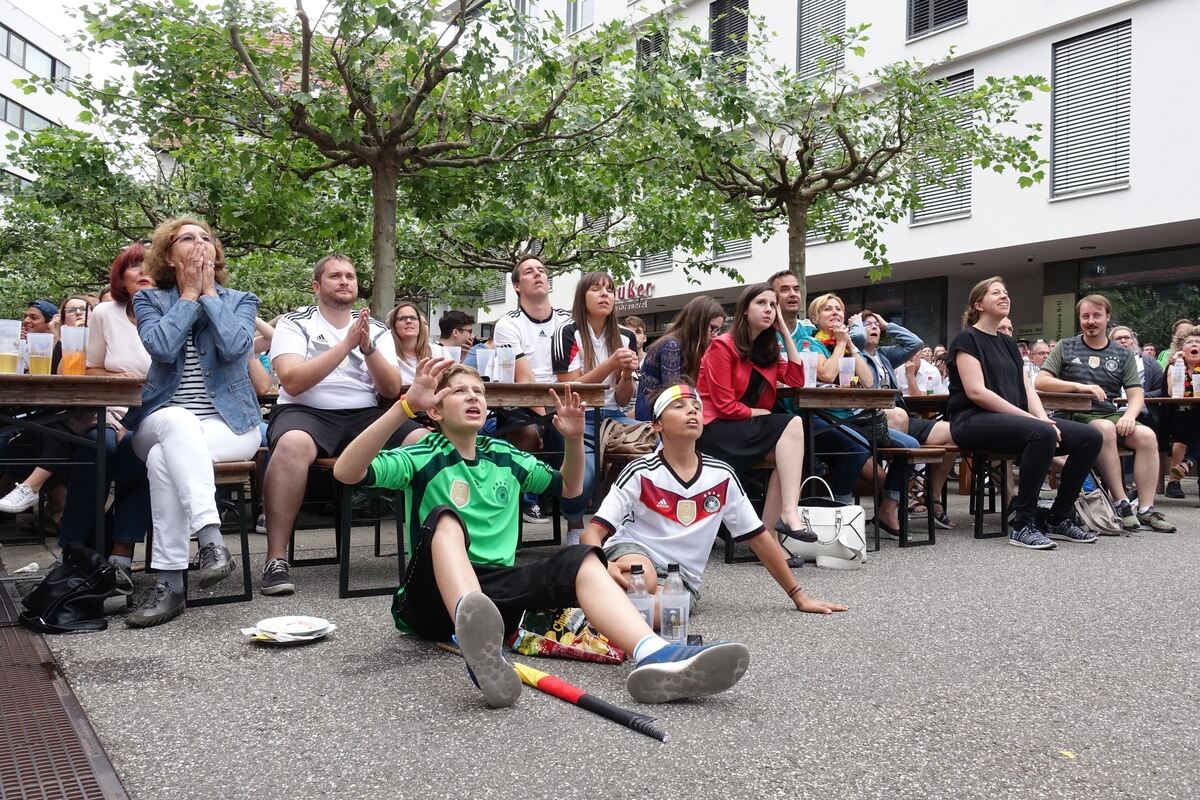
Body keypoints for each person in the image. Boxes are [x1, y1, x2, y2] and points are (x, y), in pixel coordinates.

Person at [332, 361, 751, 707]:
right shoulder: (420, 455)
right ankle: (474, 633)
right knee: (444, 517)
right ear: (436, 411)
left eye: (480, 392)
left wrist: (572, 442)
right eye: (460, 392)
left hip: (498, 598)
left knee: (583, 557)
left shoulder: (505, 456)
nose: (474, 397)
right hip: (431, 599)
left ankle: (653, 654)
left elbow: (569, 489)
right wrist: (403, 407)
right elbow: (346, 471)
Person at [582, 381, 847, 616]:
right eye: (678, 406)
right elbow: (592, 533)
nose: (691, 411)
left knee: (663, 615)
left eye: (696, 406)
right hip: (633, 553)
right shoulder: (640, 471)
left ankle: (597, 613)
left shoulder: (721, 475)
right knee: (643, 578)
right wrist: (603, 565)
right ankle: (597, 599)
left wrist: (799, 596)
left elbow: (759, 538)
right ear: (657, 424)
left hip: (682, 578)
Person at [120, 218, 264, 627]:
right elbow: (162, 348)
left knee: (166, 460)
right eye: (187, 238)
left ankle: (170, 585)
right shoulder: (150, 301)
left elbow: (237, 347)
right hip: (160, 419)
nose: (199, 244)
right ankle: (211, 539)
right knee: (177, 424)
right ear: (168, 254)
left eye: (206, 238)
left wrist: (209, 295)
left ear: (216, 255)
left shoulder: (241, 299)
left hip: (231, 425)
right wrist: (186, 295)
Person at [261, 254, 419, 595]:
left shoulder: (376, 329)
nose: (345, 281)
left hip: (364, 413)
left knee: (423, 439)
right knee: (292, 445)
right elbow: (291, 381)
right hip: (306, 412)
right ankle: (276, 559)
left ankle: (432, 550)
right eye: (335, 276)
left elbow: (391, 390)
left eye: (350, 275)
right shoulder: (294, 323)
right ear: (317, 286)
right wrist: (347, 344)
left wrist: (368, 349)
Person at [947, 277, 1101, 550]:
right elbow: (976, 393)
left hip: (1010, 421)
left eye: (1006, 292)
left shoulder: (1008, 343)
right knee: (1039, 432)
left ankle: (1059, 517)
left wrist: (1042, 417)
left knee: (1090, 436)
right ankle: (1023, 524)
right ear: (979, 304)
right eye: (996, 293)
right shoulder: (966, 338)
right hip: (970, 419)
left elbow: (1027, 389)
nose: (1005, 296)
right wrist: (1032, 421)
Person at [54, 243, 155, 598]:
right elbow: (89, 368)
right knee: (100, 448)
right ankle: (73, 552)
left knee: (139, 450)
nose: (144, 272)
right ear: (121, 277)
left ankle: (121, 558)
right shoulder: (105, 314)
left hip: (156, 413)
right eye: (134, 266)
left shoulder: (175, 312)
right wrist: (118, 379)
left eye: (151, 265)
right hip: (109, 410)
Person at [1036, 295, 1175, 533]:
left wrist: (1130, 415)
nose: (1091, 321)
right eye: (1085, 316)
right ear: (1079, 319)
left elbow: (1136, 394)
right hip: (1075, 416)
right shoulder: (1065, 346)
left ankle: (1146, 510)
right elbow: (1041, 380)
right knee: (1105, 429)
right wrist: (1079, 387)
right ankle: (1121, 503)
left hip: (1110, 414)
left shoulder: (1122, 354)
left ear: (1107, 318)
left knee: (1147, 437)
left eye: (1096, 315)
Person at [696, 283, 812, 542]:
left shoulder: (767, 350)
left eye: (773, 305)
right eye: (761, 303)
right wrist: (762, 412)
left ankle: (768, 537)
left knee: (789, 456)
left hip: (745, 429)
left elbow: (796, 379)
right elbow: (724, 406)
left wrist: (784, 331)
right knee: (792, 425)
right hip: (715, 431)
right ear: (745, 311)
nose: (769, 309)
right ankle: (788, 515)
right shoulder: (722, 346)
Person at [552, 271, 639, 543]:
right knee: (584, 474)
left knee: (647, 454)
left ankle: (606, 516)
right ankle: (575, 523)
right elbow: (571, 388)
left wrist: (625, 375)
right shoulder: (568, 332)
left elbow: (624, 399)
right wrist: (611, 364)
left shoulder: (626, 336)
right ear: (582, 296)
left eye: (610, 290)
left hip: (614, 416)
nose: (605, 294)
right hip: (579, 415)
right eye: (596, 289)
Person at [858, 310, 958, 530]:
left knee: (953, 433)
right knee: (899, 419)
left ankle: (930, 497)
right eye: (867, 324)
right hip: (871, 419)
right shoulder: (853, 353)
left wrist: (887, 326)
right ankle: (896, 502)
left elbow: (915, 343)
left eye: (876, 325)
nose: (873, 327)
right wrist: (856, 327)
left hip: (900, 417)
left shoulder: (884, 354)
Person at [491, 255, 573, 522]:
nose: (538, 274)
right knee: (527, 434)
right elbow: (524, 378)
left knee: (578, 441)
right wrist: (545, 420)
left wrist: (552, 420)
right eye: (529, 272)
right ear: (516, 286)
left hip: (562, 401)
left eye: (541, 270)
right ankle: (528, 499)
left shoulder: (568, 320)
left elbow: (574, 373)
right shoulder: (508, 323)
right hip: (522, 402)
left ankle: (575, 519)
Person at [635, 296, 725, 421]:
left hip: (667, 409)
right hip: (654, 414)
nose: (715, 335)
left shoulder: (685, 344)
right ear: (697, 323)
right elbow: (674, 391)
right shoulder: (672, 345)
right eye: (712, 328)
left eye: (718, 330)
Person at [1163, 327, 1200, 498]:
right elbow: (1172, 392)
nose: (1194, 345)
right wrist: (1179, 367)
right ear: (1181, 348)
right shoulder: (1174, 366)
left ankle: (1185, 466)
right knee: (1188, 430)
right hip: (1178, 415)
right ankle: (1178, 477)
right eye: (1189, 342)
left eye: (1198, 343)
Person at [387, 301, 432, 384]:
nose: (408, 321)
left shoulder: (437, 351)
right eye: (402, 318)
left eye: (413, 318)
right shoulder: (387, 355)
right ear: (393, 325)